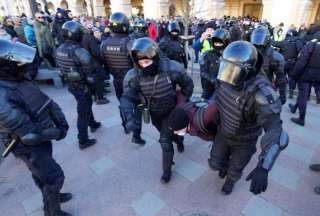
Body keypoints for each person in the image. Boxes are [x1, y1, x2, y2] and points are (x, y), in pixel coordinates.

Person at [0, 39, 72, 216]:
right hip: (28, 144)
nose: (22, 65)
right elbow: (29, 133)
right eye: (17, 63)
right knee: (55, 177)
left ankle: (52, 195)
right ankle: (52, 212)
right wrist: (57, 132)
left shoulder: (15, 78)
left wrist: (58, 118)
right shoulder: (2, 95)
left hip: (40, 138)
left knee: (42, 175)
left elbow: (40, 99)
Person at [207, 41, 289, 195]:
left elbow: (276, 130)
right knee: (215, 163)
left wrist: (264, 165)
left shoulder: (262, 92)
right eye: (227, 67)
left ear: (249, 71)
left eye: (234, 69)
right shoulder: (224, 77)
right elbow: (218, 97)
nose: (228, 73)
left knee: (236, 168)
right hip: (223, 132)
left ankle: (230, 182)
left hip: (245, 140)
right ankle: (223, 167)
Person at [120, 37, 194, 183]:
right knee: (165, 134)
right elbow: (127, 98)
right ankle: (177, 139)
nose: (144, 65)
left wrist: (182, 102)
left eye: (147, 61)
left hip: (173, 110)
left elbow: (188, 85)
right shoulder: (133, 76)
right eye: (140, 63)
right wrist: (129, 117)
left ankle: (167, 171)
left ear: (155, 57)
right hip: (154, 113)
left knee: (165, 141)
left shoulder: (172, 68)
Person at [101, 12, 145, 145]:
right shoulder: (129, 43)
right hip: (132, 81)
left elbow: (104, 64)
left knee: (122, 104)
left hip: (117, 80)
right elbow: (139, 62)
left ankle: (126, 125)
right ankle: (136, 135)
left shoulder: (104, 43)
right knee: (138, 106)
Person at [55, 21, 101, 149]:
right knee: (83, 112)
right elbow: (90, 72)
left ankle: (92, 123)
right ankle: (83, 140)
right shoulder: (79, 51)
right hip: (82, 86)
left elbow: (61, 68)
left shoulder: (59, 49)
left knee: (86, 106)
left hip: (71, 86)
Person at [250, 26, 287, 105]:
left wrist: (282, 95)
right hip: (249, 88)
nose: (258, 46)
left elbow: (281, 77)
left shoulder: (274, 56)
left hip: (264, 89)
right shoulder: (249, 52)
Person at [289, 35, 320, 126]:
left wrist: (294, 74)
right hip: (318, 74)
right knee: (304, 93)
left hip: (307, 73)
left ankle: (301, 118)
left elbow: (302, 61)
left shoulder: (312, 44)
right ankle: (295, 107)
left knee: (303, 94)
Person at [272, 29, 304, 98]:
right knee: (292, 78)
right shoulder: (298, 42)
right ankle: (291, 92)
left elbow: (274, 43)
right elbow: (301, 52)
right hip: (293, 63)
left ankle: (275, 89)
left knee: (280, 76)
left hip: (284, 62)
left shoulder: (284, 41)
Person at [200, 28, 230, 99]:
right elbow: (203, 72)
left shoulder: (229, 56)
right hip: (208, 88)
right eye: (216, 43)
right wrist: (213, 80)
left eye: (220, 43)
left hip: (224, 89)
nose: (218, 45)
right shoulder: (206, 55)